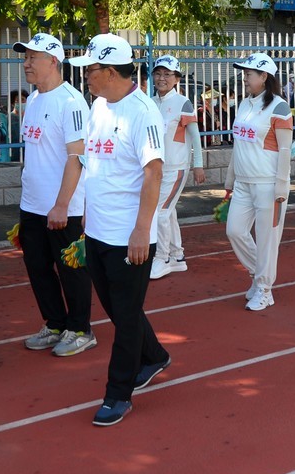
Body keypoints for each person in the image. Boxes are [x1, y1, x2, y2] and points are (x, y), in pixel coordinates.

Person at [69, 33, 170, 427]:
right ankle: (155, 356)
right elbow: (95, 164)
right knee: (117, 310)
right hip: (98, 229)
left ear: (110, 71)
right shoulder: (98, 106)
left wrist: (142, 230)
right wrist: (86, 214)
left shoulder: (142, 112)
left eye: (90, 70)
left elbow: (154, 172)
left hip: (130, 235)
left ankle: (117, 395)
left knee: (125, 317)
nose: (86, 78)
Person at [13, 33, 96, 358]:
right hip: (32, 205)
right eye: (25, 57)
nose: (26, 63)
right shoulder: (33, 100)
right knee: (37, 267)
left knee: (71, 269)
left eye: (32, 57)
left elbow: (77, 157)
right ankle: (56, 323)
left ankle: (80, 329)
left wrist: (62, 204)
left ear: (53, 61)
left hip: (64, 208)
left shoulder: (71, 102)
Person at [224, 52, 293, 312]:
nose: (244, 78)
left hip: (267, 183)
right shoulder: (244, 104)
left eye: (249, 74)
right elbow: (238, 145)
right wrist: (230, 179)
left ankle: (265, 288)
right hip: (243, 182)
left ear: (264, 77)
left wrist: (281, 185)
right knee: (235, 231)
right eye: (244, 73)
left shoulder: (279, 107)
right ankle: (259, 274)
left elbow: (285, 150)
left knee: (267, 238)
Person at [149, 56, 206, 279]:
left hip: (176, 168)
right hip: (156, 168)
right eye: (158, 73)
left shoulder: (183, 103)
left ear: (176, 79)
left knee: (159, 213)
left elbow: (195, 135)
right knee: (167, 211)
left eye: (167, 74)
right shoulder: (151, 102)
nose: (162, 78)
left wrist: (198, 165)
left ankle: (161, 258)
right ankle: (177, 256)